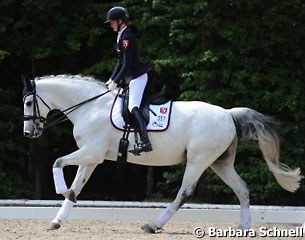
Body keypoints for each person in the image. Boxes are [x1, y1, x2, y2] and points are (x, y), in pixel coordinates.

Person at [105, 6, 152, 154]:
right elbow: (120, 62)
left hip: (137, 77)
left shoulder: (127, 37)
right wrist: (112, 79)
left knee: (132, 106)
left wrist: (116, 81)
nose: (110, 25)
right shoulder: (121, 36)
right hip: (130, 78)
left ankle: (145, 141)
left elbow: (127, 63)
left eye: (112, 22)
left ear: (120, 21)